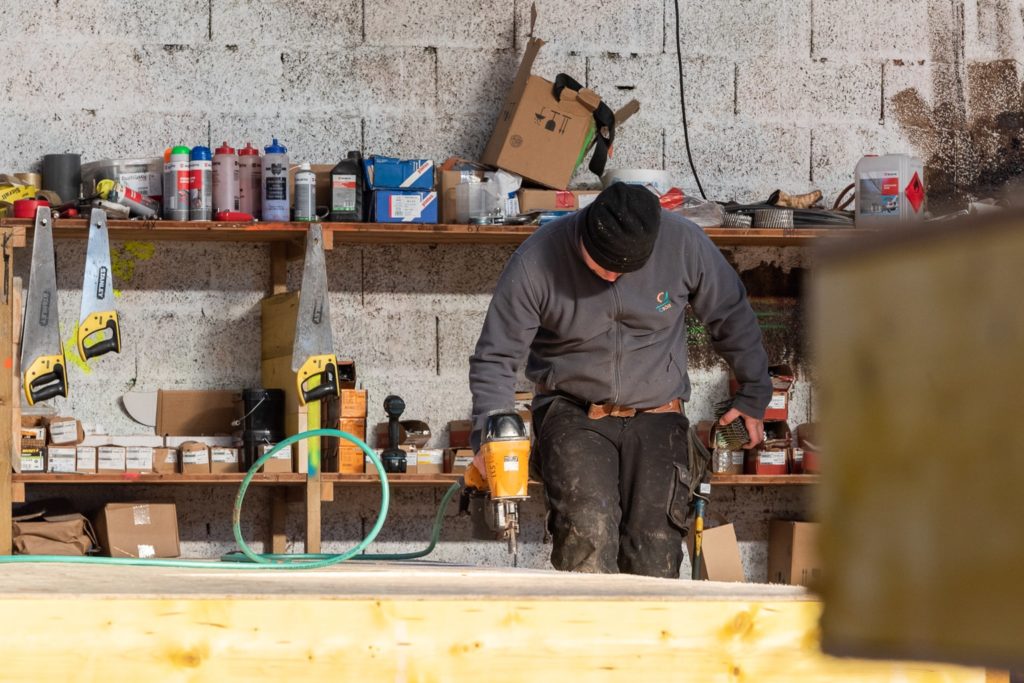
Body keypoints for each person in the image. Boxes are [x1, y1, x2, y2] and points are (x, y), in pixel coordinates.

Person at [468, 182, 771, 578]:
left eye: (624, 269)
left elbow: (732, 315)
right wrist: (488, 436)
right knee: (587, 538)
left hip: (659, 413)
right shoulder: (537, 260)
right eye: (602, 265)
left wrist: (753, 394)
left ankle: (648, 641)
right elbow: (496, 355)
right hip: (574, 412)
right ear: (585, 233)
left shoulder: (684, 244)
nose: (612, 276)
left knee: (655, 552)